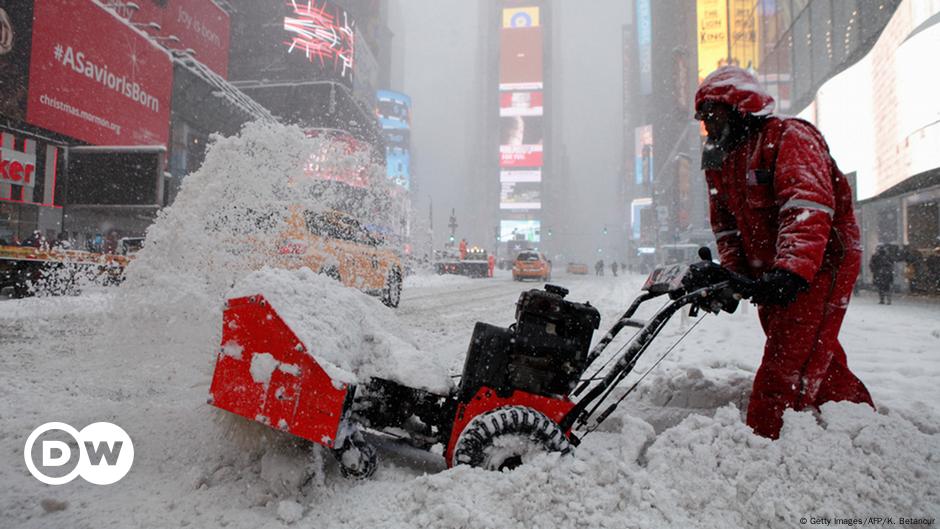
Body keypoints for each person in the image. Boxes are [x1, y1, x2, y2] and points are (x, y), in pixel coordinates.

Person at [694, 66, 873, 439]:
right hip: (772, 267)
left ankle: (766, 439)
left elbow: (806, 207)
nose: (709, 128)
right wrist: (734, 277)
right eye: (704, 120)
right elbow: (726, 227)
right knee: (808, 350)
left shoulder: (789, 137)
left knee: (785, 364)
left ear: (740, 109)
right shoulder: (720, 160)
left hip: (820, 263)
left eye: (714, 117)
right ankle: (859, 421)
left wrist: (792, 271)